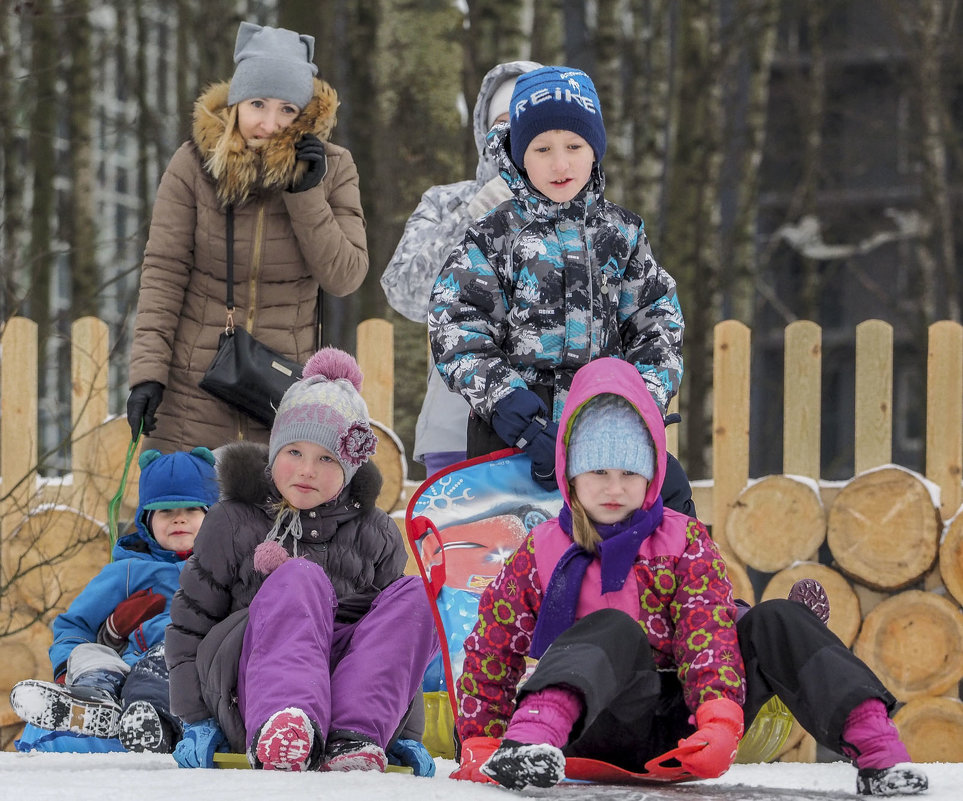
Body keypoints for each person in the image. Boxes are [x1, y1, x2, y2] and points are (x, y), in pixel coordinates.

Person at [452, 357, 928, 797]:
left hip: (690, 722)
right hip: (589, 727)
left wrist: (718, 721)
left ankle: (879, 754)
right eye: (597, 470)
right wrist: (479, 741)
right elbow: (494, 647)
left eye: (630, 472)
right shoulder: (542, 551)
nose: (615, 488)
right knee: (613, 626)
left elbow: (708, 632)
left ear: (653, 475)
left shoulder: (684, 541)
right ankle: (529, 747)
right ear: (570, 474)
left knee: (777, 618)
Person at [427, 65, 692, 514]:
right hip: (513, 434)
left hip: (605, 433)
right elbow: (456, 325)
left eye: (574, 145)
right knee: (515, 557)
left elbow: (657, 323)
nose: (560, 163)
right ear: (518, 155)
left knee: (660, 518)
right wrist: (509, 405)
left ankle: (692, 584)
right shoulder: (494, 235)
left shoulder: (622, 234)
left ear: (595, 150)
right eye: (542, 148)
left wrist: (638, 406)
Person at [165, 347, 440, 773]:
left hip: (347, 693)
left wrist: (405, 732)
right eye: (294, 452)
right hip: (250, 693)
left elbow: (399, 645)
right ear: (274, 450)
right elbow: (190, 624)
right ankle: (286, 725)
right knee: (299, 578)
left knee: (418, 595)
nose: (307, 470)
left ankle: (356, 738)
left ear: (349, 469)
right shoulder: (232, 521)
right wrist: (195, 720)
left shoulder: (378, 532)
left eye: (327, 458)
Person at [127, 21, 368, 453]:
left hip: (282, 397)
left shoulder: (333, 168)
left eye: (287, 109)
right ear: (236, 101)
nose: (270, 124)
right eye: (257, 104)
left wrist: (306, 193)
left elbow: (345, 277)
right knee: (185, 517)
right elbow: (163, 273)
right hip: (192, 395)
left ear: (305, 113)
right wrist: (148, 375)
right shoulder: (192, 164)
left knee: (270, 517)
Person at [381, 60, 541, 478]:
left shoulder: (582, 210)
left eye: (525, 120)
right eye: (501, 122)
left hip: (551, 431)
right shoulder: (446, 202)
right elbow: (405, 293)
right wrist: (472, 217)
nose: (511, 134)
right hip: (456, 428)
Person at [10, 447, 219, 754]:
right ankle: (91, 702)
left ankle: (148, 723)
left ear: (211, 515)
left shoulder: (221, 568)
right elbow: (74, 624)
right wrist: (69, 667)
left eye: (190, 510)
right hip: (123, 667)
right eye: (166, 511)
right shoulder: (127, 571)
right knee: (90, 652)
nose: (179, 519)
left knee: (169, 657)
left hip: (181, 666)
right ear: (147, 520)